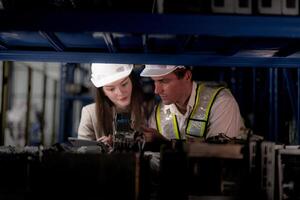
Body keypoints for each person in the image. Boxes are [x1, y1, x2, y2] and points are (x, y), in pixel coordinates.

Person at [140, 65, 246, 143]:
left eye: (164, 81)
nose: (157, 91)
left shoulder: (221, 102)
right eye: (154, 82)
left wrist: (165, 144)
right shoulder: (158, 113)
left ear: (187, 76)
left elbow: (219, 157)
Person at [77, 63, 154, 147]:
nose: (120, 92)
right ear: (103, 92)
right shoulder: (90, 114)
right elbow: (82, 154)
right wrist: (101, 149)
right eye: (111, 89)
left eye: (124, 84)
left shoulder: (150, 108)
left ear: (131, 81)